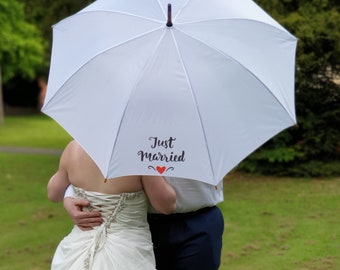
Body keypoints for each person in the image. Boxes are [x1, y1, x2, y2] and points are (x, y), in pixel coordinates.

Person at [47, 140, 176, 270]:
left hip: (77, 247)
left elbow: (53, 193)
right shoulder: (140, 156)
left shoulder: (74, 148)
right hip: (126, 252)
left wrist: (70, 196)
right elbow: (166, 206)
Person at [64, 176, 224, 269]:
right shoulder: (132, 120)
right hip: (137, 224)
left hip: (199, 221)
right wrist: (70, 195)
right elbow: (99, 155)